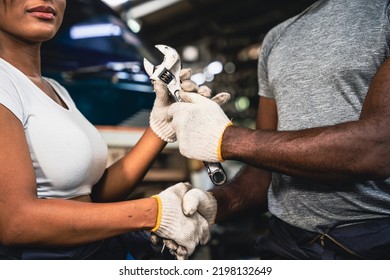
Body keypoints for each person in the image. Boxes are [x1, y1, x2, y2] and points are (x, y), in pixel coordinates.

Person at [159, 0, 390, 259]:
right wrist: (217, 204)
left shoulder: (383, 13)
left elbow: (378, 148)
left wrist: (227, 139)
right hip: (286, 244)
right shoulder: (277, 38)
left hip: (374, 241)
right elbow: (263, 172)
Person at [0, 0, 211, 260]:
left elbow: (91, 196)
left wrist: (160, 128)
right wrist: (154, 212)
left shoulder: (55, 89)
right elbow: (16, 222)